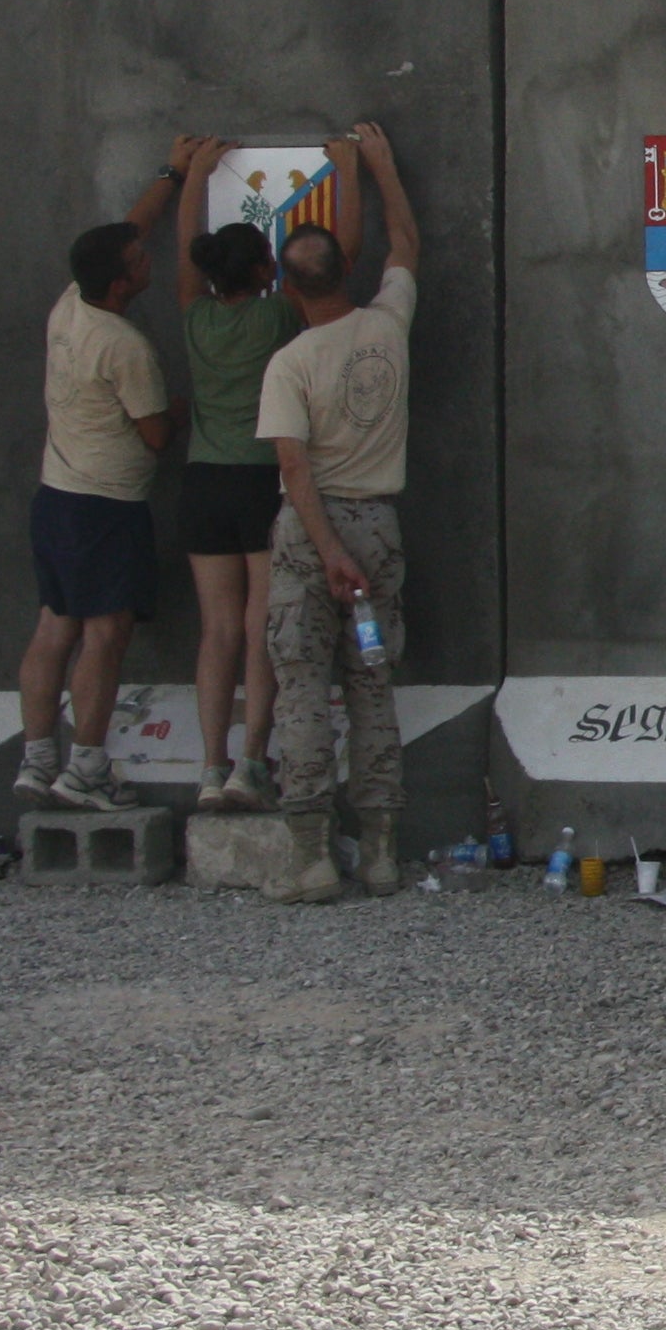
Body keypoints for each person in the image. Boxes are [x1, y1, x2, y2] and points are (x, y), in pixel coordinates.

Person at [255, 121, 421, 903]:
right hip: (379, 527)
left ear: (288, 288)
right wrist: (380, 168)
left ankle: (312, 856)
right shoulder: (390, 327)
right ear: (345, 270)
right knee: (372, 687)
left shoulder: (289, 364)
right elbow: (407, 246)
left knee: (302, 689)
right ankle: (383, 852)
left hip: (309, 539)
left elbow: (293, 467)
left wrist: (323, 551)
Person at [12, 165, 189, 813]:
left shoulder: (71, 304)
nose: (149, 261)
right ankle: (86, 767)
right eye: (141, 262)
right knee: (105, 635)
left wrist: (171, 175)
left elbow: (129, 229)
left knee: (53, 629)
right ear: (122, 284)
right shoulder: (124, 346)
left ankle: (37, 760)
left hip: (55, 496)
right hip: (107, 508)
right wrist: (180, 410)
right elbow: (155, 438)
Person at [173, 137, 341, 815]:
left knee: (216, 631)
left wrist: (191, 175)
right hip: (257, 482)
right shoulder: (279, 314)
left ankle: (210, 766)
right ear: (269, 270)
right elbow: (335, 258)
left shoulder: (195, 316)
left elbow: (184, 246)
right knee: (260, 628)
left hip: (201, 482)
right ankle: (251, 763)